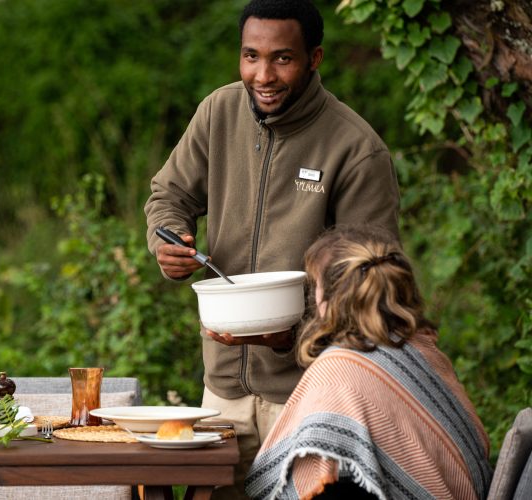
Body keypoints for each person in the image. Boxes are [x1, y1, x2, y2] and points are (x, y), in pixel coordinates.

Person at [143, 0, 400, 497]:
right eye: (250, 56)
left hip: (311, 394)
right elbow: (169, 195)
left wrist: (292, 338)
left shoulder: (356, 149)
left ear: (314, 58)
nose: (263, 74)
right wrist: (167, 240)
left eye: (282, 58)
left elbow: (373, 290)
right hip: (222, 390)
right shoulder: (218, 112)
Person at [245, 225, 492, 500]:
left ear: (329, 299)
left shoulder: (339, 369)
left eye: (316, 285)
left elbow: (319, 482)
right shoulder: (424, 349)